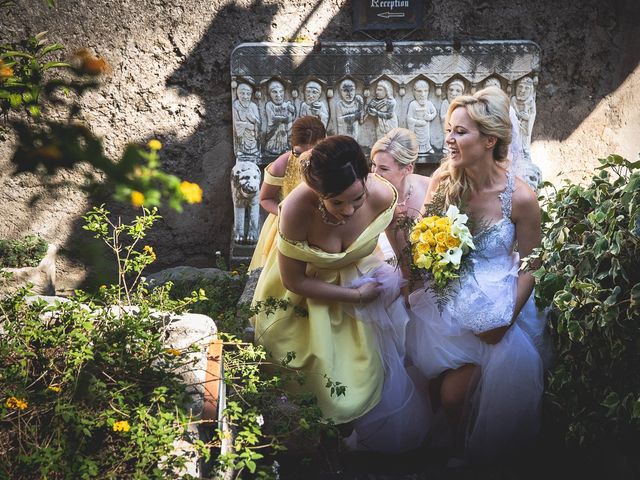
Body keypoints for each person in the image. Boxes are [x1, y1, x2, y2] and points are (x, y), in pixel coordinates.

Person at [251, 135, 430, 452]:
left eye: (356, 199)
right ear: (317, 193)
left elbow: (395, 236)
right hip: (306, 296)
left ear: (366, 178)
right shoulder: (295, 210)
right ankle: (318, 445)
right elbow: (294, 281)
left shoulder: (382, 194)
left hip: (363, 281)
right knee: (321, 385)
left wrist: (408, 281)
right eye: (336, 202)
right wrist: (357, 297)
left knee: (369, 371)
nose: (348, 211)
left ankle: (356, 441)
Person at [406, 87, 550, 463]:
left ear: (489, 140)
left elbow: (535, 262)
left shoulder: (520, 198)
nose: (449, 139)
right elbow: (424, 245)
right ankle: (459, 451)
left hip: (502, 306)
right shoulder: (443, 184)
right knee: (451, 397)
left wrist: (506, 318)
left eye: (460, 132)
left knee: (494, 401)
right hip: (448, 309)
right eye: (449, 129)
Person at [248, 116, 326, 271]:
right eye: (298, 153)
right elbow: (265, 198)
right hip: (287, 225)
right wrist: (287, 214)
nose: (304, 160)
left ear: (324, 141)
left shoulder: (334, 159)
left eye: (311, 153)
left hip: (324, 225)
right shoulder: (281, 165)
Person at [370, 128, 430, 263]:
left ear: (407, 169)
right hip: (380, 269)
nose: (375, 173)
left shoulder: (429, 188)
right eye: (373, 165)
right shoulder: (368, 195)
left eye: (383, 169)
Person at [407, 80, 437, 156]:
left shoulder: (429, 103)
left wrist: (429, 117)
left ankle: (427, 147)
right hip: (417, 128)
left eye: (425, 91)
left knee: (426, 137)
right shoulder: (413, 104)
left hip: (425, 127)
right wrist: (417, 122)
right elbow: (409, 118)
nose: (422, 94)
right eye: (419, 91)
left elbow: (434, 112)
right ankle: (415, 149)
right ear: (414, 92)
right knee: (416, 139)